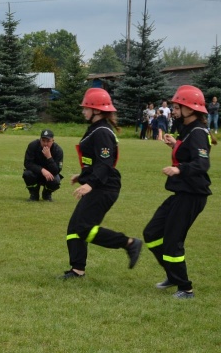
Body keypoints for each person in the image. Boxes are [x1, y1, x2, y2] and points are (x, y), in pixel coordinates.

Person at [61, 88, 142, 279]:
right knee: (75, 228)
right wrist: (82, 176)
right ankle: (77, 270)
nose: (83, 111)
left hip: (104, 186)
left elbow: (105, 163)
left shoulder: (102, 131)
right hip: (98, 183)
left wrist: (90, 183)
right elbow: (95, 161)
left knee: (84, 227)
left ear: (96, 110)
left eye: (86, 108)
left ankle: (129, 243)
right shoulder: (96, 128)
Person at [143, 85, 211, 299]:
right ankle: (173, 275)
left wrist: (179, 169)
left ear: (190, 109)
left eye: (177, 107)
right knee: (152, 233)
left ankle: (185, 289)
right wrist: (175, 145)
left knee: (173, 240)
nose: (173, 110)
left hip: (192, 195)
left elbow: (202, 163)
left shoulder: (198, 132)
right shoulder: (188, 129)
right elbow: (188, 153)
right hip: (181, 193)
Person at [22, 129, 63, 201]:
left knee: (56, 180)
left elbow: (56, 171)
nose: (45, 144)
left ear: (53, 141)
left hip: (50, 175)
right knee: (27, 174)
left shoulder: (58, 150)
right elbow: (27, 163)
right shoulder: (33, 145)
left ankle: (47, 194)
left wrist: (49, 157)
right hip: (35, 173)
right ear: (40, 140)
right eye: (43, 141)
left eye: (48, 141)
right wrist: (42, 170)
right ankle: (34, 194)